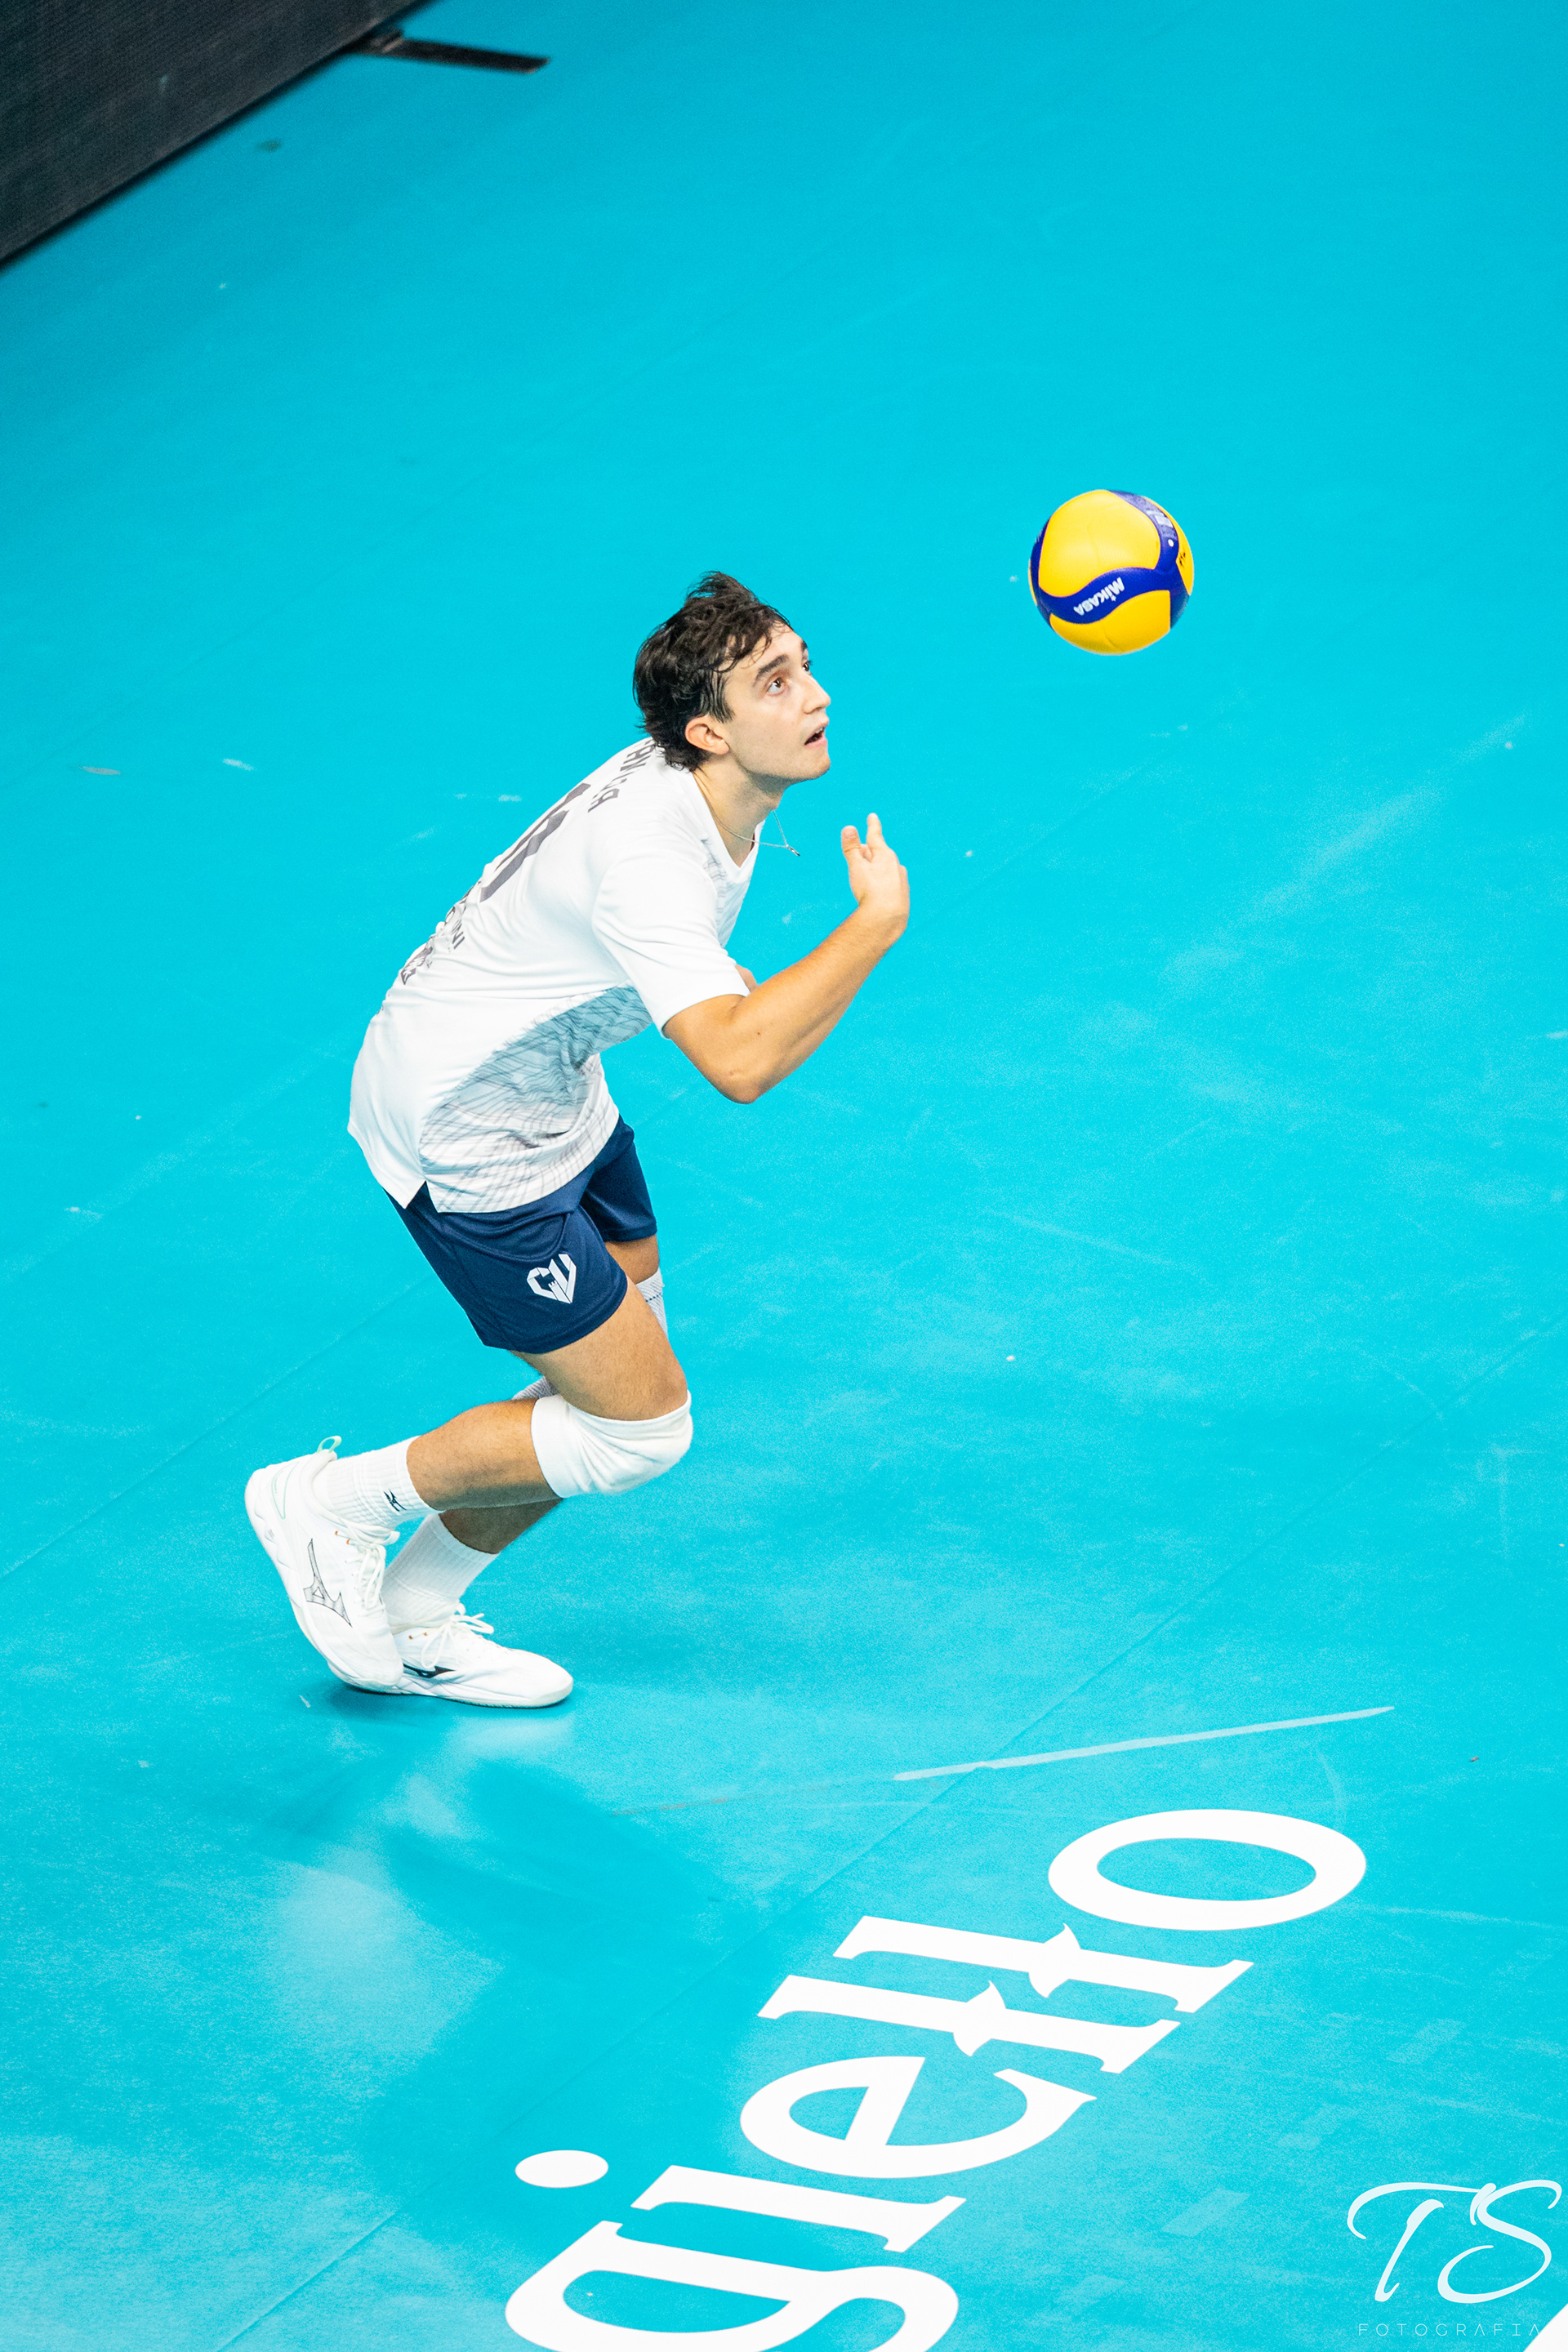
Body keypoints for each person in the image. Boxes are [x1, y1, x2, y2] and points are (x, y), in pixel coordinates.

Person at [245, 572, 909, 1707]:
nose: (817, 696)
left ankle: (416, 1615)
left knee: (598, 1396)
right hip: (468, 1132)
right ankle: (328, 1504)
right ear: (707, 731)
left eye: (803, 665)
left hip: (556, 1089)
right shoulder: (655, 858)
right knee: (638, 1435)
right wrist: (874, 925)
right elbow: (740, 1063)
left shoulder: (705, 789)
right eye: (776, 683)